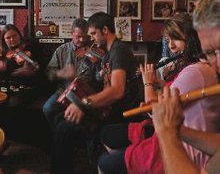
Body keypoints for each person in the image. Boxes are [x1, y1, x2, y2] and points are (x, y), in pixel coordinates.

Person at [97, 12, 220, 173]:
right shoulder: (196, 70)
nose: (171, 46)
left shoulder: (196, 71)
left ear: (192, 40)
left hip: (187, 150)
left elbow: (153, 109)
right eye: (168, 41)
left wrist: (147, 82)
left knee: (106, 162)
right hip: (179, 137)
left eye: (176, 39)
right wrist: (160, 84)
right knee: (109, 139)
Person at [50, 12, 139, 174]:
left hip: (119, 115)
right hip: (107, 110)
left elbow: (117, 90)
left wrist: (83, 105)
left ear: (104, 30)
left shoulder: (119, 51)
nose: (91, 38)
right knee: (59, 118)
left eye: (93, 34)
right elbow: (103, 86)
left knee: (64, 128)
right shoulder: (107, 55)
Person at [43, 18, 102, 130]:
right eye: (78, 36)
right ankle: (59, 134)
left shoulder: (95, 50)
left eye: (85, 36)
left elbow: (99, 79)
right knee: (48, 108)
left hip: (87, 92)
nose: (82, 40)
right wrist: (60, 73)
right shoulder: (62, 50)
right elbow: (49, 73)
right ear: (71, 34)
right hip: (64, 91)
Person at [0, 24, 41, 107]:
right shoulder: (3, 53)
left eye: (14, 36)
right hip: (6, 87)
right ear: (4, 40)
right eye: (8, 38)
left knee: (13, 103)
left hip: (25, 87)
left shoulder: (30, 48)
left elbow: (40, 69)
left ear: (19, 35)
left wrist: (32, 71)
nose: (12, 39)